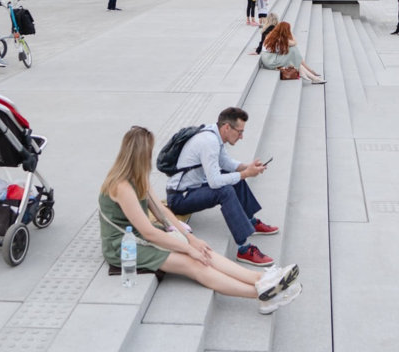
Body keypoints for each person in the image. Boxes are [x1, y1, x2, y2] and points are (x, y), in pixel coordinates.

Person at [100, 126, 301, 314]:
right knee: (194, 264)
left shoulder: (138, 177)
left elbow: (162, 211)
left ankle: (261, 278)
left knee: (203, 250)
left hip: (139, 236)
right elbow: (148, 232)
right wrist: (188, 248)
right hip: (123, 246)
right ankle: (263, 295)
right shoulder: (122, 186)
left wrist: (189, 237)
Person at [165, 108, 283, 267]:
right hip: (180, 198)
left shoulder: (213, 134)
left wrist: (246, 167)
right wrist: (246, 174)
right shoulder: (209, 142)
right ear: (227, 127)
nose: (241, 136)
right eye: (239, 132)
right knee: (225, 190)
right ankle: (244, 249)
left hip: (194, 186)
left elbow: (226, 163)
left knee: (235, 175)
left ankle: (251, 222)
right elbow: (214, 182)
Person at [261, 21, 325, 84]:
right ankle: (311, 75)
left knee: (293, 53)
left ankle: (312, 76)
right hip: (271, 61)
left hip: (268, 58)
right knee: (293, 49)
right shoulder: (280, 40)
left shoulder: (273, 36)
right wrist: (291, 32)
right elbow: (295, 42)